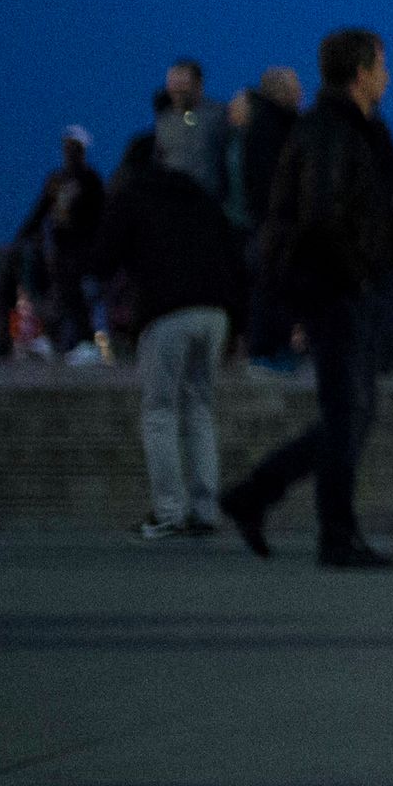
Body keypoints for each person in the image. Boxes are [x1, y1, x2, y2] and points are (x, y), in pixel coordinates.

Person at [220, 28, 393, 565]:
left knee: (349, 413)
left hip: (343, 286)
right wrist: (357, 274)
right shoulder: (330, 131)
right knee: (349, 412)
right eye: (382, 65)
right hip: (336, 288)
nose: (388, 77)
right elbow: (321, 216)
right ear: (361, 72)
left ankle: (268, 502)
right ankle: (328, 531)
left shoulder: (354, 130)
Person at [91, 132, 242, 539]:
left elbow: (102, 258)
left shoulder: (132, 196)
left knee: (159, 410)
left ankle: (168, 510)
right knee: (199, 408)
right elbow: (233, 254)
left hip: (166, 310)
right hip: (215, 310)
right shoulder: (199, 196)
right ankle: (206, 510)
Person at [227, 68, 305, 367]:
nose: (301, 94)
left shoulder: (266, 124)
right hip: (271, 221)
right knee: (272, 283)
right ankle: (268, 349)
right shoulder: (272, 126)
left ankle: (268, 347)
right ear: (280, 91)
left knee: (269, 282)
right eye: (295, 87)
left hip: (265, 220)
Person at [17, 128, 112, 361]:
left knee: (74, 294)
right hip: (60, 246)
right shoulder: (56, 179)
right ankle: (52, 340)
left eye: (74, 147)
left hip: (81, 246)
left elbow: (101, 214)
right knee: (59, 293)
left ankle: (85, 342)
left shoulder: (90, 179)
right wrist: (25, 233)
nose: (69, 152)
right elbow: (42, 209)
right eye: (66, 147)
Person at [149, 59, 222, 193]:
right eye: (173, 83)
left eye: (183, 84)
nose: (177, 89)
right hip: (172, 199)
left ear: (198, 84)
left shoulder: (217, 116)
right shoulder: (164, 121)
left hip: (207, 199)